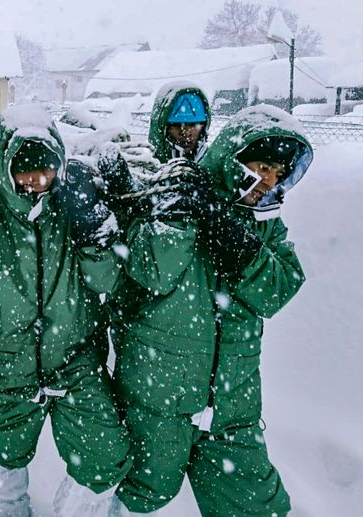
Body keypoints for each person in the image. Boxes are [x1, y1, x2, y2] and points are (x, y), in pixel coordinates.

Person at [0, 105, 132, 516]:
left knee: (105, 452)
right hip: (4, 367)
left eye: (46, 169)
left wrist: (94, 230)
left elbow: (107, 281)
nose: (37, 180)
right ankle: (8, 507)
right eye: (24, 169)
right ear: (5, 165)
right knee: (7, 455)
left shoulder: (72, 213)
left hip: (76, 362)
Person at [110, 105, 312, 517]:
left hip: (232, 406)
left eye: (278, 171)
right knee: (143, 492)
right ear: (234, 160)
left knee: (255, 505)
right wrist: (183, 216)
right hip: (160, 397)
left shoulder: (264, 222)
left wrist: (228, 228)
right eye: (262, 166)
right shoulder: (179, 198)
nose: (269, 180)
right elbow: (151, 272)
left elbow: (277, 289)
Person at [148, 82, 211, 163]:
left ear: (204, 127)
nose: (186, 133)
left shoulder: (216, 169)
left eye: (193, 124)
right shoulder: (144, 171)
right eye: (177, 125)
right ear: (162, 129)